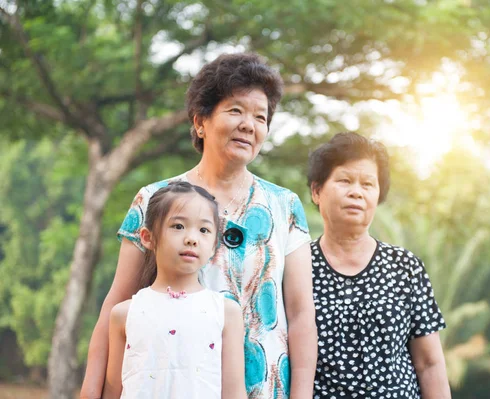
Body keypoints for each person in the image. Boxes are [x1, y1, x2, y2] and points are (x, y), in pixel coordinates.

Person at [81, 53, 317, 399]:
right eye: (235, 110)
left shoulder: (285, 206)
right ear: (201, 122)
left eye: (260, 117)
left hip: (265, 390)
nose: (248, 125)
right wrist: (91, 389)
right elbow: (118, 303)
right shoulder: (154, 199)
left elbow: (300, 314)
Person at [307, 132, 451, 399]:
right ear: (317, 191)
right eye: (344, 180)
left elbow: (429, 364)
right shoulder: (297, 266)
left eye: (367, 184)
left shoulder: (405, 267)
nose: (356, 192)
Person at [101, 181, 246, 399]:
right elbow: (113, 391)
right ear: (148, 237)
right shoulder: (124, 315)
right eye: (178, 226)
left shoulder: (227, 313)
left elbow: (234, 394)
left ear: (215, 245)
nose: (191, 239)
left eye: (204, 230)